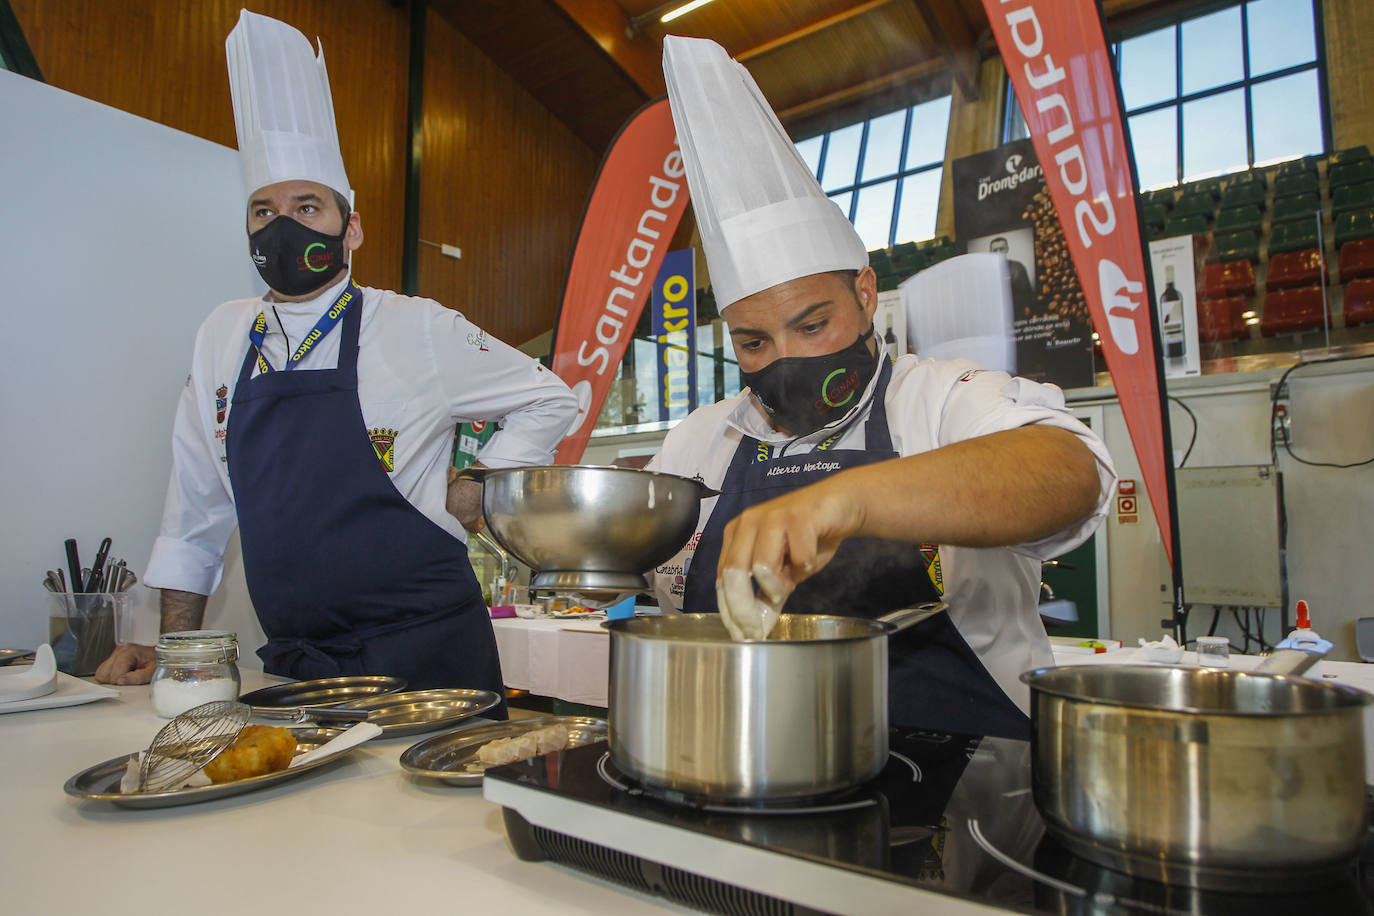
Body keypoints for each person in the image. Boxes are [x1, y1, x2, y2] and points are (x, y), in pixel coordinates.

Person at [94, 12, 577, 713]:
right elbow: (193, 513)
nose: (283, 226)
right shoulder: (222, 336)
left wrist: (481, 481)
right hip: (302, 666)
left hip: (429, 656)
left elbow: (551, 397)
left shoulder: (416, 327)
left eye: (307, 206)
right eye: (264, 211)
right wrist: (178, 659)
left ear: (351, 227)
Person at [646, 36, 1116, 740]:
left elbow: (1070, 472)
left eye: (813, 324)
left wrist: (844, 502)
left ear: (866, 295)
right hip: (749, 760)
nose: (787, 358)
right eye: (753, 342)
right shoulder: (697, 442)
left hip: (966, 785)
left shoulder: (943, 399)